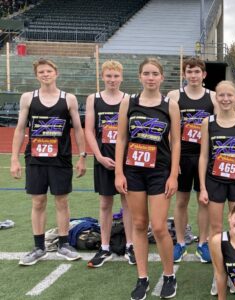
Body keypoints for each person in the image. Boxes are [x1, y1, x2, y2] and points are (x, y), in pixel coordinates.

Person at [114, 58, 181, 300]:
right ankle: (142, 277)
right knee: (139, 225)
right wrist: (119, 172)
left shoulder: (170, 105)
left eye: (155, 73)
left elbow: (176, 142)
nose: (151, 77)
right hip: (133, 171)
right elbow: (121, 138)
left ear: (162, 78)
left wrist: (174, 174)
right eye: (146, 73)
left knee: (160, 226)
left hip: (160, 171)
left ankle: (169, 274)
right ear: (140, 76)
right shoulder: (127, 103)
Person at [11, 59, 86, 266]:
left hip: (61, 159)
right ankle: (38, 247)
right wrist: (14, 158)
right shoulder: (28, 98)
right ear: (37, 75)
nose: (45, 74)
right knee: (38, 201)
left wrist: (82, 156)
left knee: (62, 201)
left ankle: (63, 244)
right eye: (41, 71)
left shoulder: (68, 99)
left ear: (56, 73)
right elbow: (19, 129)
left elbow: (78, 129)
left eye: (49, 71)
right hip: (35, 159)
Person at [197, 80, 235, 295]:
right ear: (215, 97)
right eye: (220, 95)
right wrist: (203, 186)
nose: (225, 99)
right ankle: (218, 273)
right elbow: (204, 156)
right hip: (215, 181)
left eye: (229, 95)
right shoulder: (208, 122)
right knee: (216, 229)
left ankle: (234, 273)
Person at [84, 60, 135, 267]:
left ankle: (130, 245)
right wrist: (98, 156)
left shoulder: (129, 99)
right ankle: (104, 247)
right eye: (108, 76)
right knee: (105, 204)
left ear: (121, 77)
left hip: (126, 159)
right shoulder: (93, 99)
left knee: (128, 203)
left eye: (115, 76)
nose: (112, 80)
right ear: (102, 77)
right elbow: (89, 130)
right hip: (104, 157)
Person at [167, 57, 218, 263]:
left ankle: (203, 243)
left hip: (205, 156)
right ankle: (180, 242)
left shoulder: (213, 97)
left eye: (197, 71)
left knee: (203, 201)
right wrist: (173, 159)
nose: (193, 75)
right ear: (184, 74)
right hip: (182, 155)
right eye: (189, 71)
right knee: (181, 201)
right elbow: (170, 131)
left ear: (204, 74)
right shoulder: (173, 96)